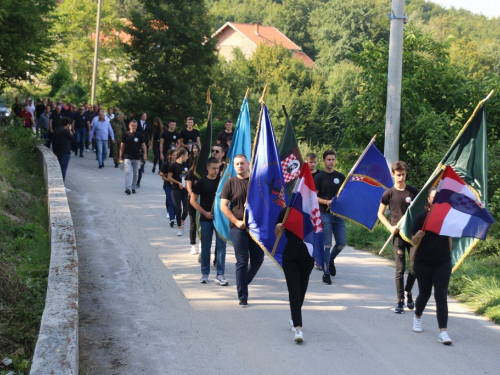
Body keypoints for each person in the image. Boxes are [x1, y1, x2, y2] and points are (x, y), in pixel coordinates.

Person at [221, 154, 264, 307]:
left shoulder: (256, 183)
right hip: (238, 228)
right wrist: (237, 222)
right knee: (242, 260)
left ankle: (243, 281)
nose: (240, 166)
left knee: (258, 259)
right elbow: (223, 206)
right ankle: (243, 296)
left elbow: (266, 203)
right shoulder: (230, 183)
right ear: (234, 166)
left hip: (256, 228)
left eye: (242, 163)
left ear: (248, 164)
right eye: (237, 164)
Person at [411, 188, 453, 344]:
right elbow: (413, 241)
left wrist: (448, 258)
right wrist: (418, 235)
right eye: (433, 198)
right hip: (423, 262)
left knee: (441, 296)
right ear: (428, 200)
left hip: (442, 262)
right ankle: (417, 316)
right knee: (425, 294)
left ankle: (443, 332)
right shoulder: (421, 218)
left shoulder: (446, 219)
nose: (436, 200)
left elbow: (450, 242)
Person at [378, 160, 419, 314]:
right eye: (398, 175)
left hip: (413, 235)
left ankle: (408, 291)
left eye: (403, 174)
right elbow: (379, 214)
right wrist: (390, 227)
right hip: (398, 235)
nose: (401, 177)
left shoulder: (413, 192)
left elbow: (421, 211)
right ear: (393, 175)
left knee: (414, 268)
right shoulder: (388, 193)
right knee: (400, 269)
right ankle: (400, 300)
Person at [275, 207, 315, 343]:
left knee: (302, 289)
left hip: (308, 254)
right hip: (291, 253)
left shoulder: (312, 211)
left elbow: (320, 234)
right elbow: (277, 233)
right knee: (294, 290)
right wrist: (278, 227)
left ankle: (293, 318)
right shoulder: (286, 211)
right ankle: (298, 328)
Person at [191, 157, 228, 285]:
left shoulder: (222, 182)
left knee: (221, 246)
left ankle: (220, 274)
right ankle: (205, 273)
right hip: (205, 219)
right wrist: (204, 213)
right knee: (206, 247)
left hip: (220, 219)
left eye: (218, 168)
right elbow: (193, 201)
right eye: (213, 168)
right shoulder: (201, 182)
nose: (216, 171)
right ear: (207, 168)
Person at [314, 150, 346, 284]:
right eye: (329, 159)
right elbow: (314, 197)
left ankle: (331, 260)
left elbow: (346, 194)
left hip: (338, 215)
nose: (331, 162)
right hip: (325, 213)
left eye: (333, 159)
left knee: (341, 243)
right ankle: (326, 272)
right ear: (323, 161)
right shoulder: (319, 177)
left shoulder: (340, 176)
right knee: (327, 244)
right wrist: (326, 202)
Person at [119, 120, 147, 195]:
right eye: (132, 125)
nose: (134, 127)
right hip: (127, 156)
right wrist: (120, 156)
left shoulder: (140, 135)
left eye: (135, 126)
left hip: (136, 157)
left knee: (135, 174)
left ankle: (133, 187)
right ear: (129, 126)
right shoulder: (125, 134)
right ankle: (128, 188)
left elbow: (144, 145)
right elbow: (122, 146)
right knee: (128, 172)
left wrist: (145, 154)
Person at [167, 148, 189, 235]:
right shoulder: (173, 165)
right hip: (176, 189)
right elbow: (169, 177)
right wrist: (178, 182)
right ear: (182, 155)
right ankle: (179, 227)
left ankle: (182, 220)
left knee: (186, 209)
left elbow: (188, 176)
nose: (187, 157)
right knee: (178, 208)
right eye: (186, 155)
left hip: (184, 189)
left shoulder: (186, 165)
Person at [52, 117, 74, 192]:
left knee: (60, 168)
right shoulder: (65, 131)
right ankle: (62, 185)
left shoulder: (56, 129)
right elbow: (72, 138)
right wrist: (70, 130)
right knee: (63, 169)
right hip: (65, 151)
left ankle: (58, 184)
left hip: (58, 150)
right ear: (67, 124)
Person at [159, 149, 177, 227]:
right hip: (168, 185)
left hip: (176, 185)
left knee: (176, 203)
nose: (175, 157)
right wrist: (169, 180)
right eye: (174, 155)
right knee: (170, 201)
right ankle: (172, 219)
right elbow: (162, 175)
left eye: (176, 155)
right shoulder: (166, 164)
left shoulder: (178, 164)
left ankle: (173, 214)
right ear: (170, 156)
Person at [185, 155, 199, 255]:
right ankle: (193, 245)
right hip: (193, 201)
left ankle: (202, 244)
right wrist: (194, 198)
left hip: (204, 202)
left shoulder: (206, 172)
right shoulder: (190, 173)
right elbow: (189, 188)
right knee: (193, 223)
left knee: (203, 224)